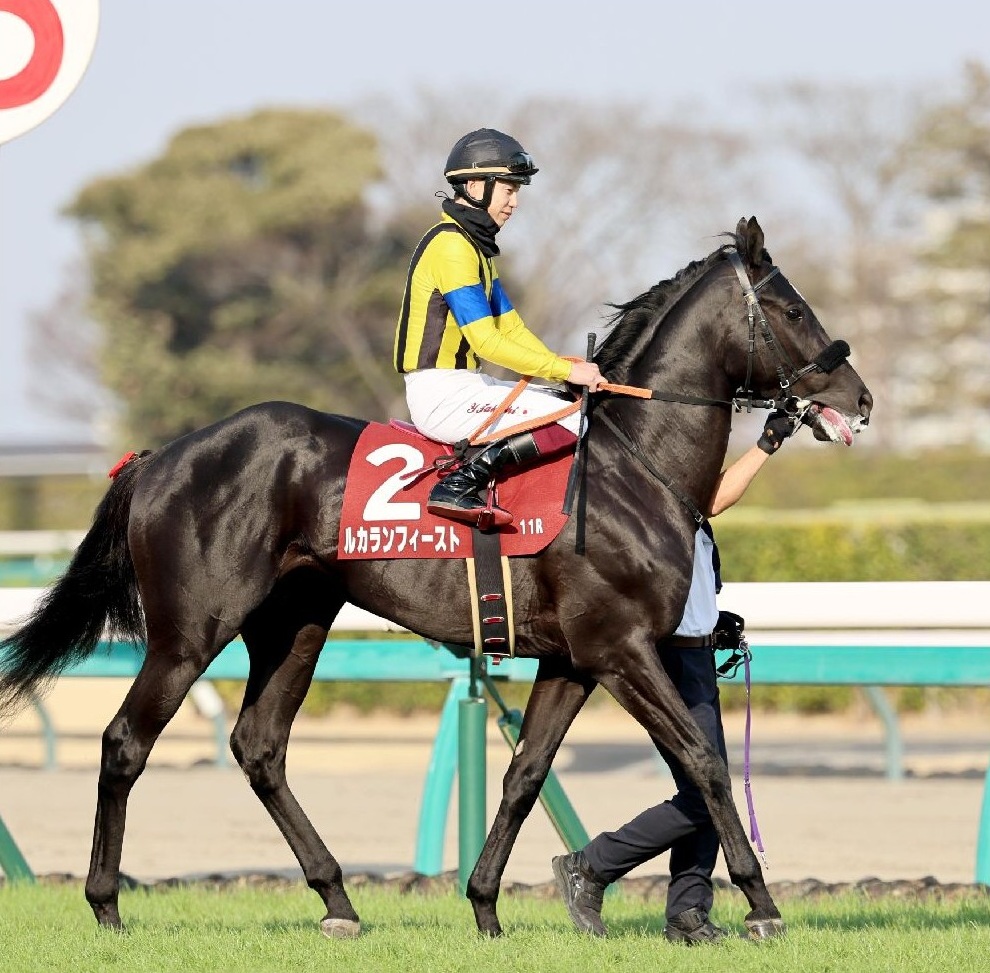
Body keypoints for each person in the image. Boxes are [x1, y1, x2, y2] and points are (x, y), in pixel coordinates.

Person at [551, 408, 798, 943]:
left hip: (698, 657)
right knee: (709, 791)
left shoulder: (680, 501)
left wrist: (713, 621)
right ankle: (591, 866)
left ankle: (687, 913)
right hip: (667, 660)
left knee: (707, 790)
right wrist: (766, 445)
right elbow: (715, 500)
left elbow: (712, 509)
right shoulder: (656, 497)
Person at [393, 128, 604, 528]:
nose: (514, 202)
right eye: (508, 189)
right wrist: (562, 370)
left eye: (516, 191)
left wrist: (564, 369)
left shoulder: (477, 249)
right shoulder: (451, 247)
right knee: (573, 418)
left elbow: (511, 328)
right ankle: (458, 485)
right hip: (441, 395)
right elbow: (487, 341)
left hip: (466, 385)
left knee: (571, 402)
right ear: (475, 186)